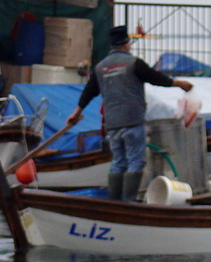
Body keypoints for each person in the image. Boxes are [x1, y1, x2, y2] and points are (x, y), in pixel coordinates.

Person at [67, 25, 193, 202]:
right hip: (132, 120)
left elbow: (89, 91)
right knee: (135, 161)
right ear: (127, 44)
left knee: (118, 162)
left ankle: (115, 202)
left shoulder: (101, 68)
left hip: (112, 124)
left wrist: (76, 112)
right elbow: (156, 78)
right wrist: (179, 84)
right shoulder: (134, 63)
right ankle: (128, 202)